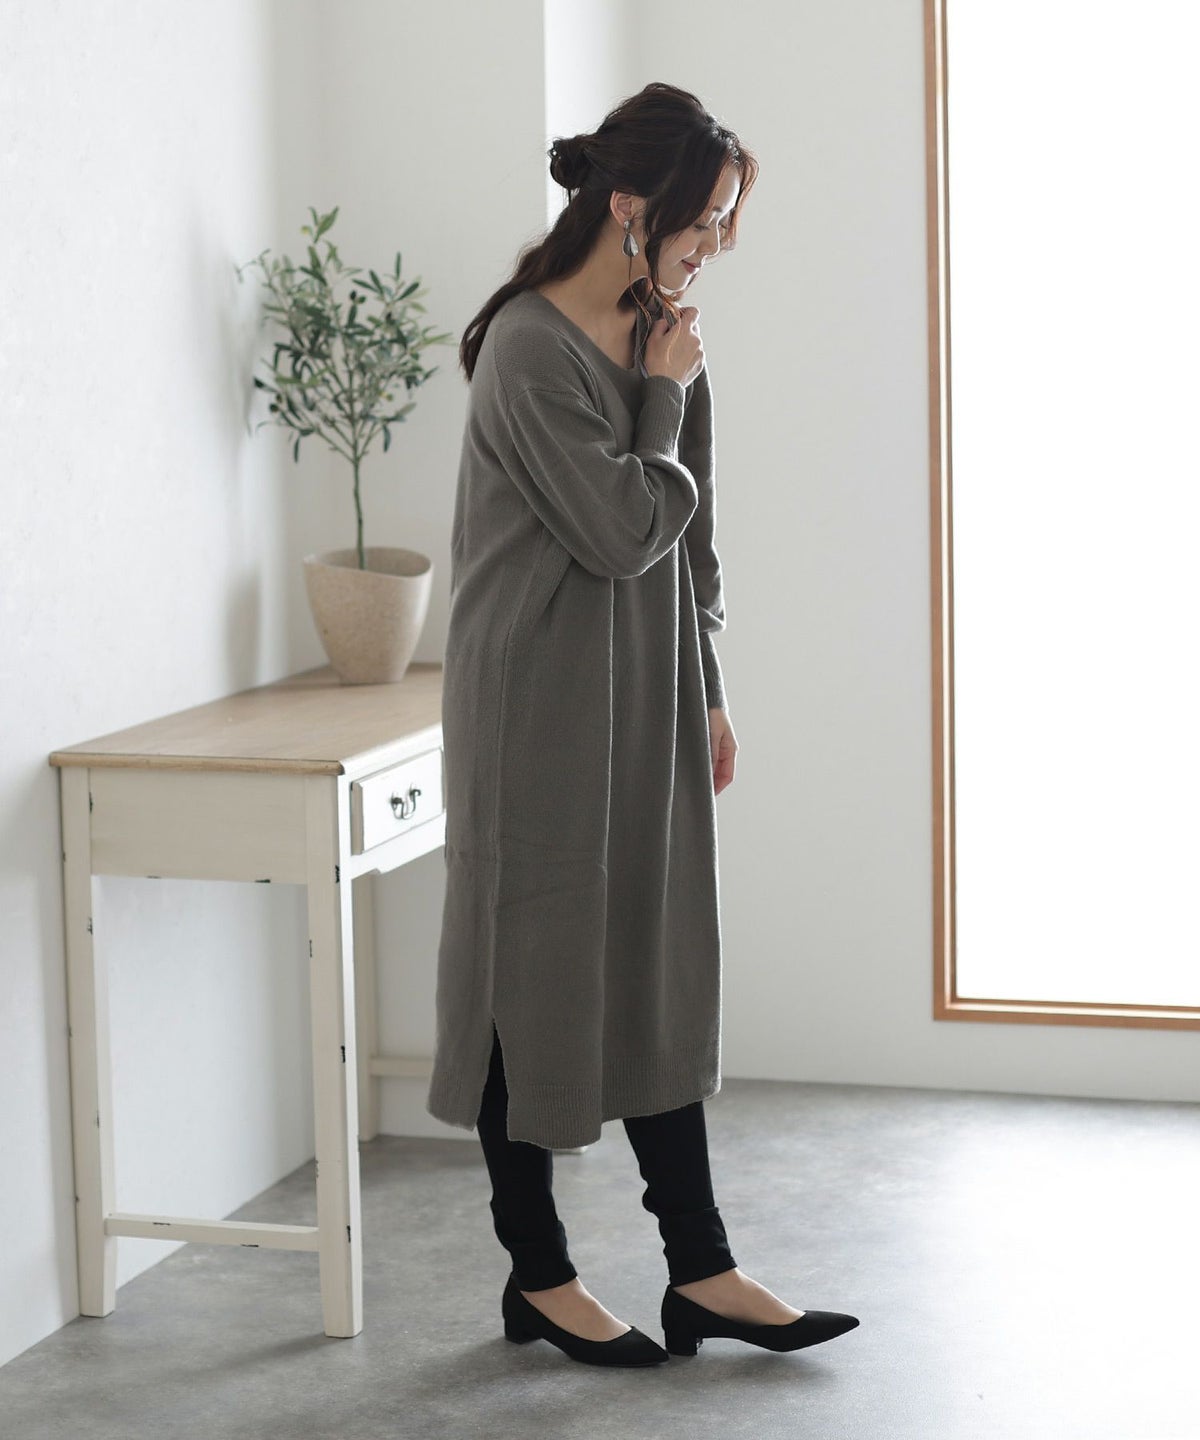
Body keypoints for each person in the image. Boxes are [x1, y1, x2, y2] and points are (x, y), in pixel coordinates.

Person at [426, 81, 859, 1367]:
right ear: (631, 206)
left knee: (654, 960)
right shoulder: (529, 348)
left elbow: (690, 533)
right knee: (527, 978)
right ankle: (539, 1275)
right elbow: (622, 528)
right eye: (704, 218)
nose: (715, 243)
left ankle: (702, 1270)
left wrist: (707, 682)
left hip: (647, 690)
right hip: (538, 706)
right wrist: (663, 392)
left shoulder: (664, 333)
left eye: (723, 220)